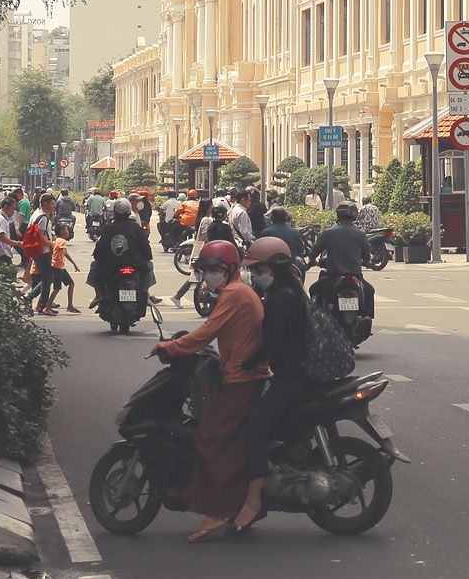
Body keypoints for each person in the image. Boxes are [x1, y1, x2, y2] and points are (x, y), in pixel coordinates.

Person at [151, 241, 268, 542]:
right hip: (242, 374)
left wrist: (171, 347)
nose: (210, 276)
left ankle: (220, 510)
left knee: (209, 436)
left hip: (244, 380)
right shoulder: (240, 292)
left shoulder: (233, 294)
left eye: (216, 270)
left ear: (230, 270)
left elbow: (206, 332)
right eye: (206, 270)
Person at [233, 237, 311, 532]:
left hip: (291, 377)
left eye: (258, 269)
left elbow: (274, 344)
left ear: (273, 269)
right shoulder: (293, 292)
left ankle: (253, 502)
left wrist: (247, 362)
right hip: (297, 373)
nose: (254, 275)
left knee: (254, 428)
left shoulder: (279, 300)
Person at [307, 201, 374, 317]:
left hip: (333, 276)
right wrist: (368, 262)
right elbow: (367, 257)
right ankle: (366, 318)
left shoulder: (328, 232)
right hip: (356, 276)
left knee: (314, 289)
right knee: (370, 291)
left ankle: (316, 319)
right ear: (354, 216)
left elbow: (314, 252)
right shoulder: (360, 234)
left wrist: (313, 261)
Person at [89, 198, 157, 304]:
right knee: (150, 265)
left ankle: (99, 295)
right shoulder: (135, 227)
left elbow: (100, 248)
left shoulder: (110, 227)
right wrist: (147, 256)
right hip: (135, 263)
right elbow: (145, 247)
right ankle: (145, 293)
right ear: (129, 211)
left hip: (112, 264)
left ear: (115, 212)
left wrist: (98, 256)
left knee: (94, 265)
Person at [34, 221, 81, 315]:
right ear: (62, 231)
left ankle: (70, 305)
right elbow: (61, 250)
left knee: (71, 284)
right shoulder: (62, 241)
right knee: (56, 288)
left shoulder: (57, 240)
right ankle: (46, 308)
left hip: (60, 267)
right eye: (67, 230)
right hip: (58, 268)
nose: (68, 232)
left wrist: (74, 263)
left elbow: (63, 253)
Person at [0, 195, 23, 266]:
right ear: (6, 207)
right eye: (13, 209)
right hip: (1, 255)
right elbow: (2, 238)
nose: (13, 212)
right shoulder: (1, 220)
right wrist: (18, 243)